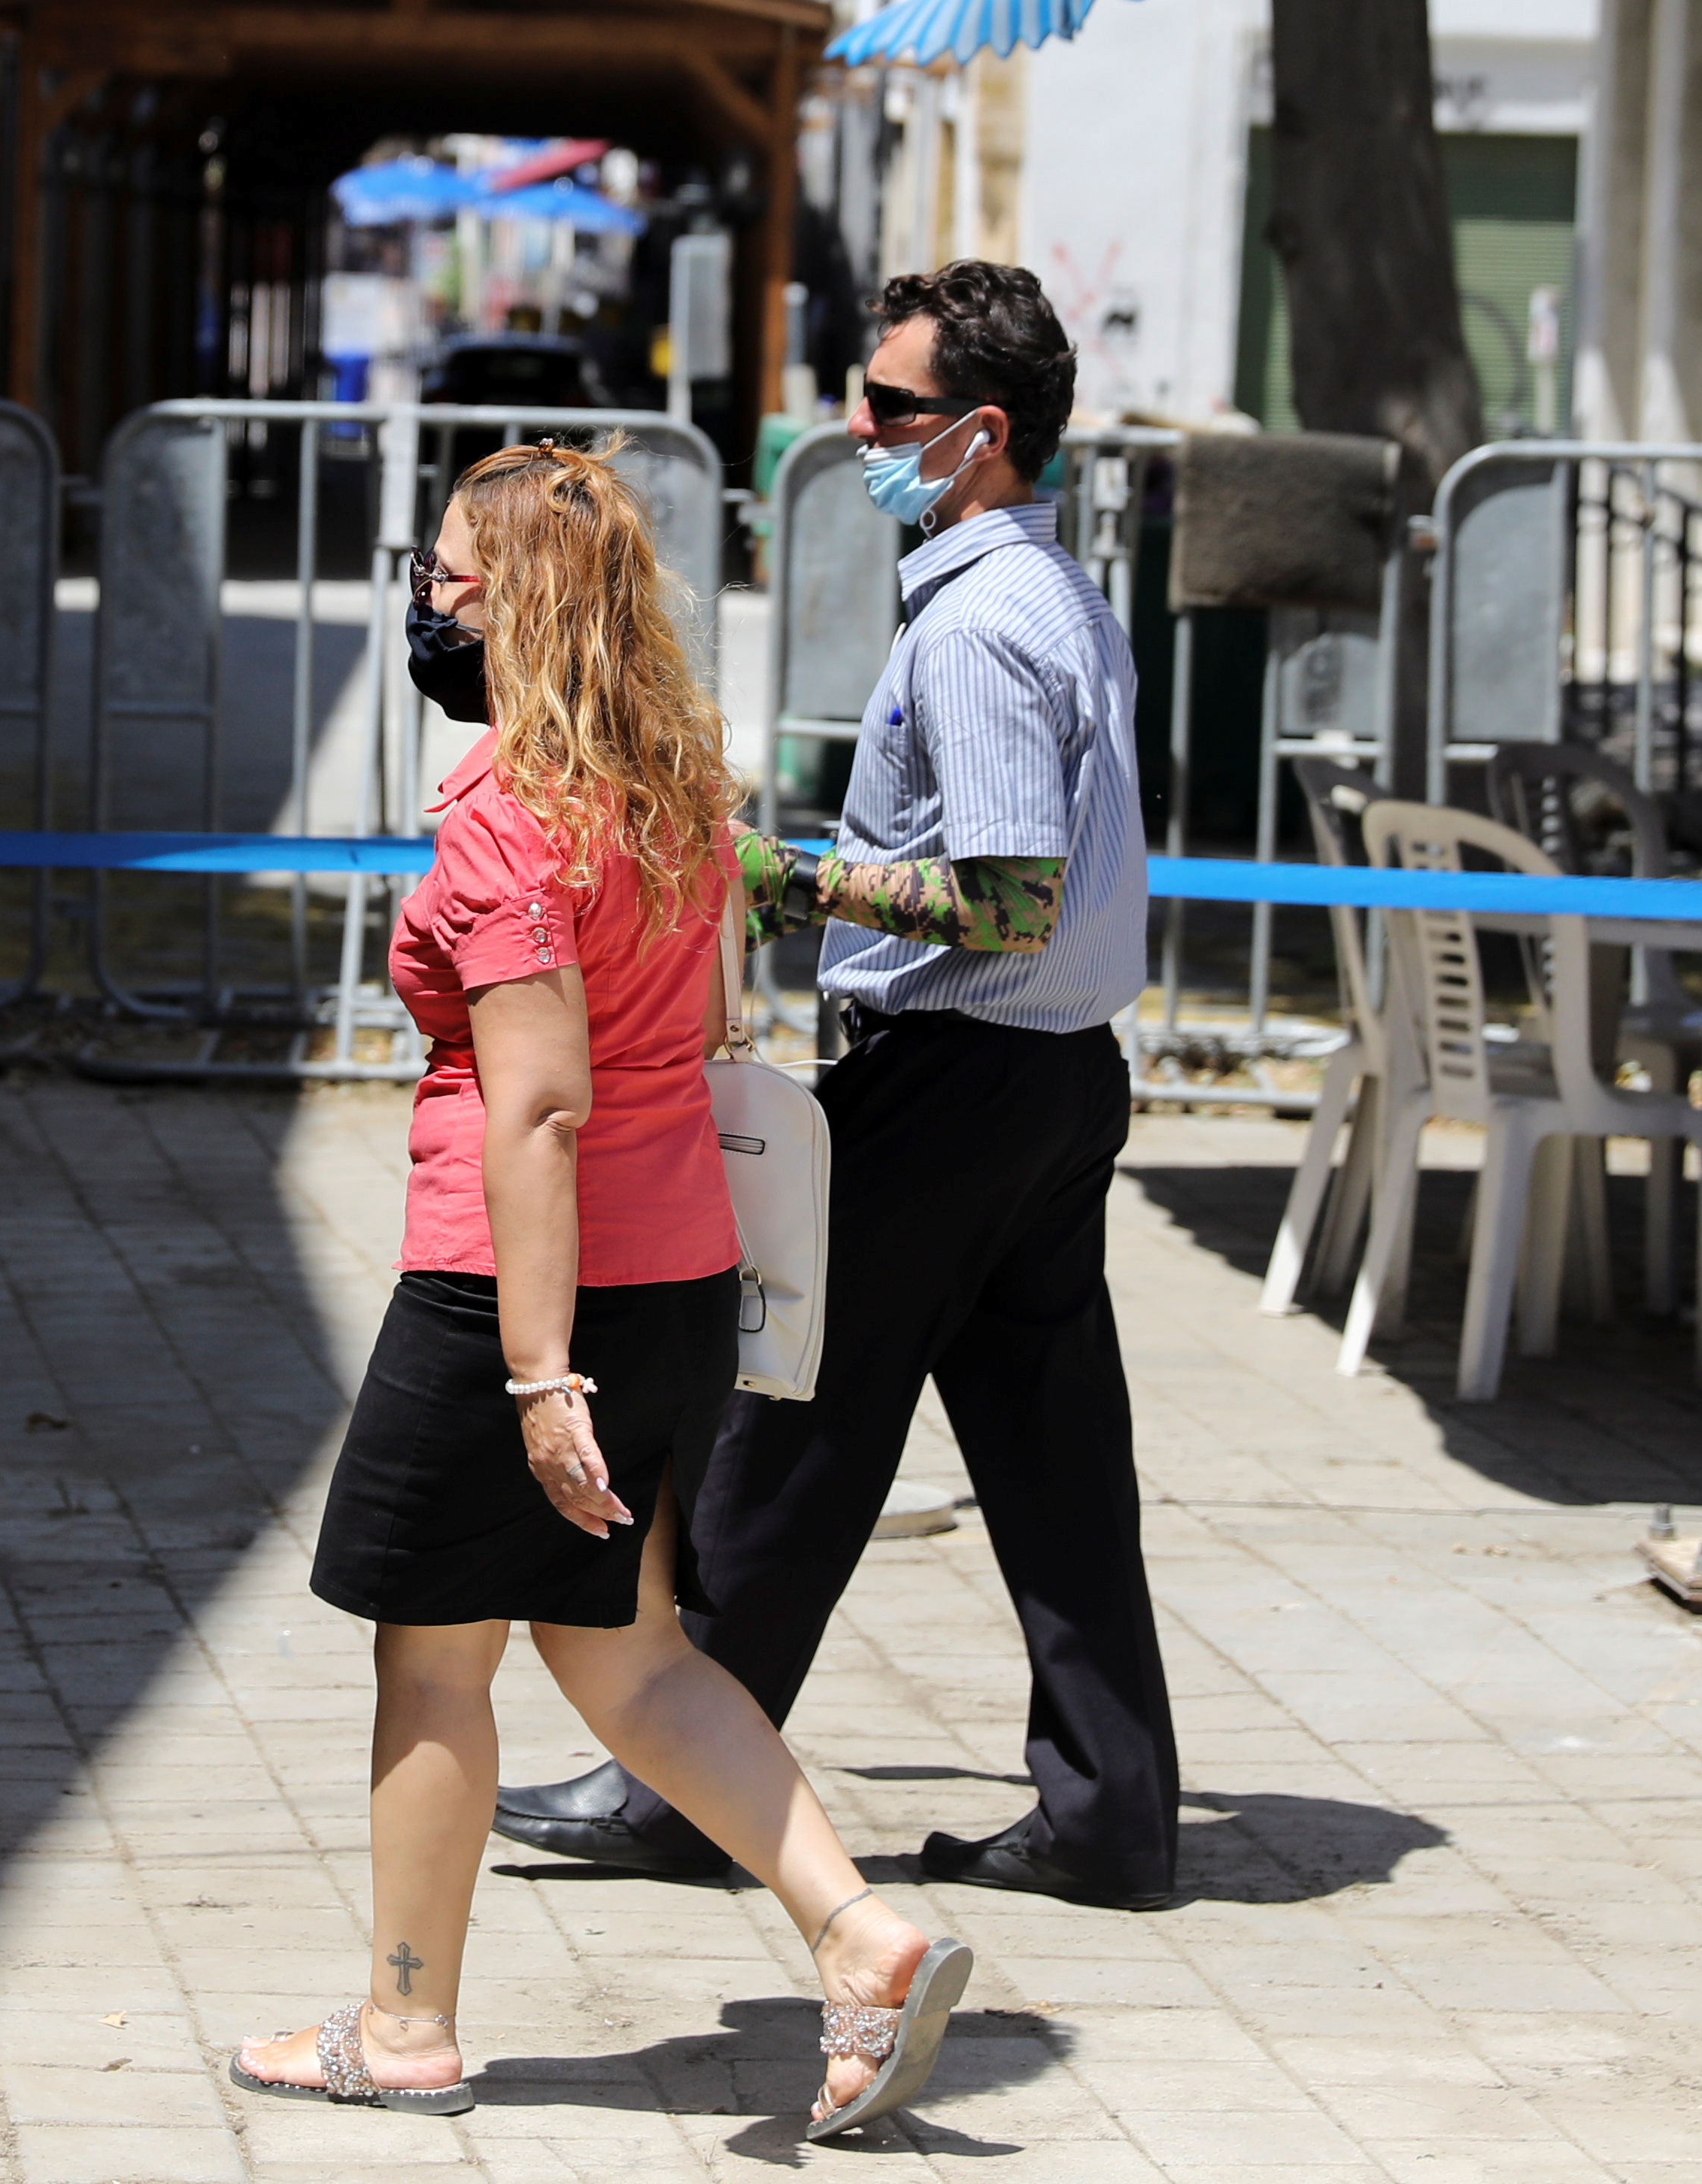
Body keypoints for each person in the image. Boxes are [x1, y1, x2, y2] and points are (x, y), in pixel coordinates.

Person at [231, 439, 975, 2136]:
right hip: (678, 1270)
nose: (425, 601)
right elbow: (696, 1033)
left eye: (444, 577)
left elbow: (542, 1106)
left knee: (433, 1665)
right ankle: (860, 1935)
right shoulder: (678, 790)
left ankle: (399, 2030)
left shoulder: (509, 826)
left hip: (518, 1295)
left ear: (516, 605)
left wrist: (533, 1373)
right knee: (629, 1658)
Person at [496, 262, 1183, 1909]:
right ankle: (1109, 1811)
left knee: (783, 1430)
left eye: (886, 407)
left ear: (982, 437)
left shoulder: (985, 626)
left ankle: (682, 1788)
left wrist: (786, 876)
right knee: (1053, 1452)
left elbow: (1005, 898)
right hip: (1054, 1079)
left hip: (957, 1076)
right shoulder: (1056, 597)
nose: (850, 427)